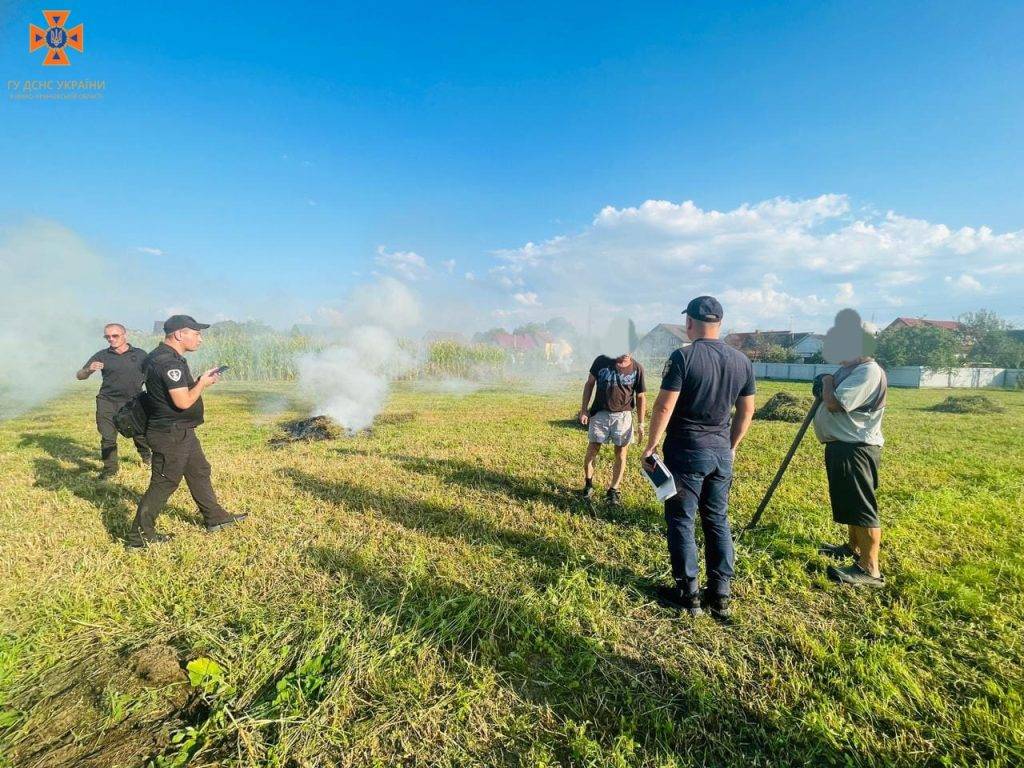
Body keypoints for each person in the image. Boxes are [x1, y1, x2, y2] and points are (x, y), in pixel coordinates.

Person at [641, 297, 756, 619]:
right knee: (717, 520)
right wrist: (731, 445)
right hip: (721, 453)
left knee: (682, 520)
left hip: (687, 451)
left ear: (689, 322)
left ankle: (687, 593)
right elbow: (747, 411)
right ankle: (720, 594)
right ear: (719, 323)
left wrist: (650, 446)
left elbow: (664, 406)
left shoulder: (683, 357)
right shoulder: (741, 361)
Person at [127, 315, 246, 548]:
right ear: (180, 334)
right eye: (196, 333)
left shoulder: (161, 357)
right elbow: (182, 402)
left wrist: (200, 381)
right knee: (164, 482)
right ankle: (139, 537)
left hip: (180, 430)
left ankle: (215, 518)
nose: (200, 339)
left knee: (199, 470)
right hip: (170, 433)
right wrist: (202, 383)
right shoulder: (169, 363)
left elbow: (171, 395)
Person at [813, 355, 888, 588]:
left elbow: (835, 403)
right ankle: (852, 548)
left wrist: (826, 381)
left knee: (861, 507)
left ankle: (869, 569)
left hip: (855, 448)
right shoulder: (852, 369)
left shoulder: (868, 372)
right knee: (850, 504)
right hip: (843, 445)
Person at [76, 323, 151, 478]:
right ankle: (110, 469)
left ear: (125, 335)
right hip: (107, 401)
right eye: (107, 337)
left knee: (139, 434)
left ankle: (147, 458)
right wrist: (89, 370)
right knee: (108, 437)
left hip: (133, 402)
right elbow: (80, 375)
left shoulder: (140, 354)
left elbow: (152, 375)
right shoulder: (102, 355)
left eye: (114, 335)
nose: (111, 339)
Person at [578, 352, 647, 506]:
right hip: (600, 414)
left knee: (621, 453)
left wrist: (641, 423)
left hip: (623, 416)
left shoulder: (637, 368)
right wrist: (584, 409)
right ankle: (588, 484)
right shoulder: (601, 360)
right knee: (592, 449)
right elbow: (589, 383)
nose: (625, 353)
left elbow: (641, 396)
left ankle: (613, 490)